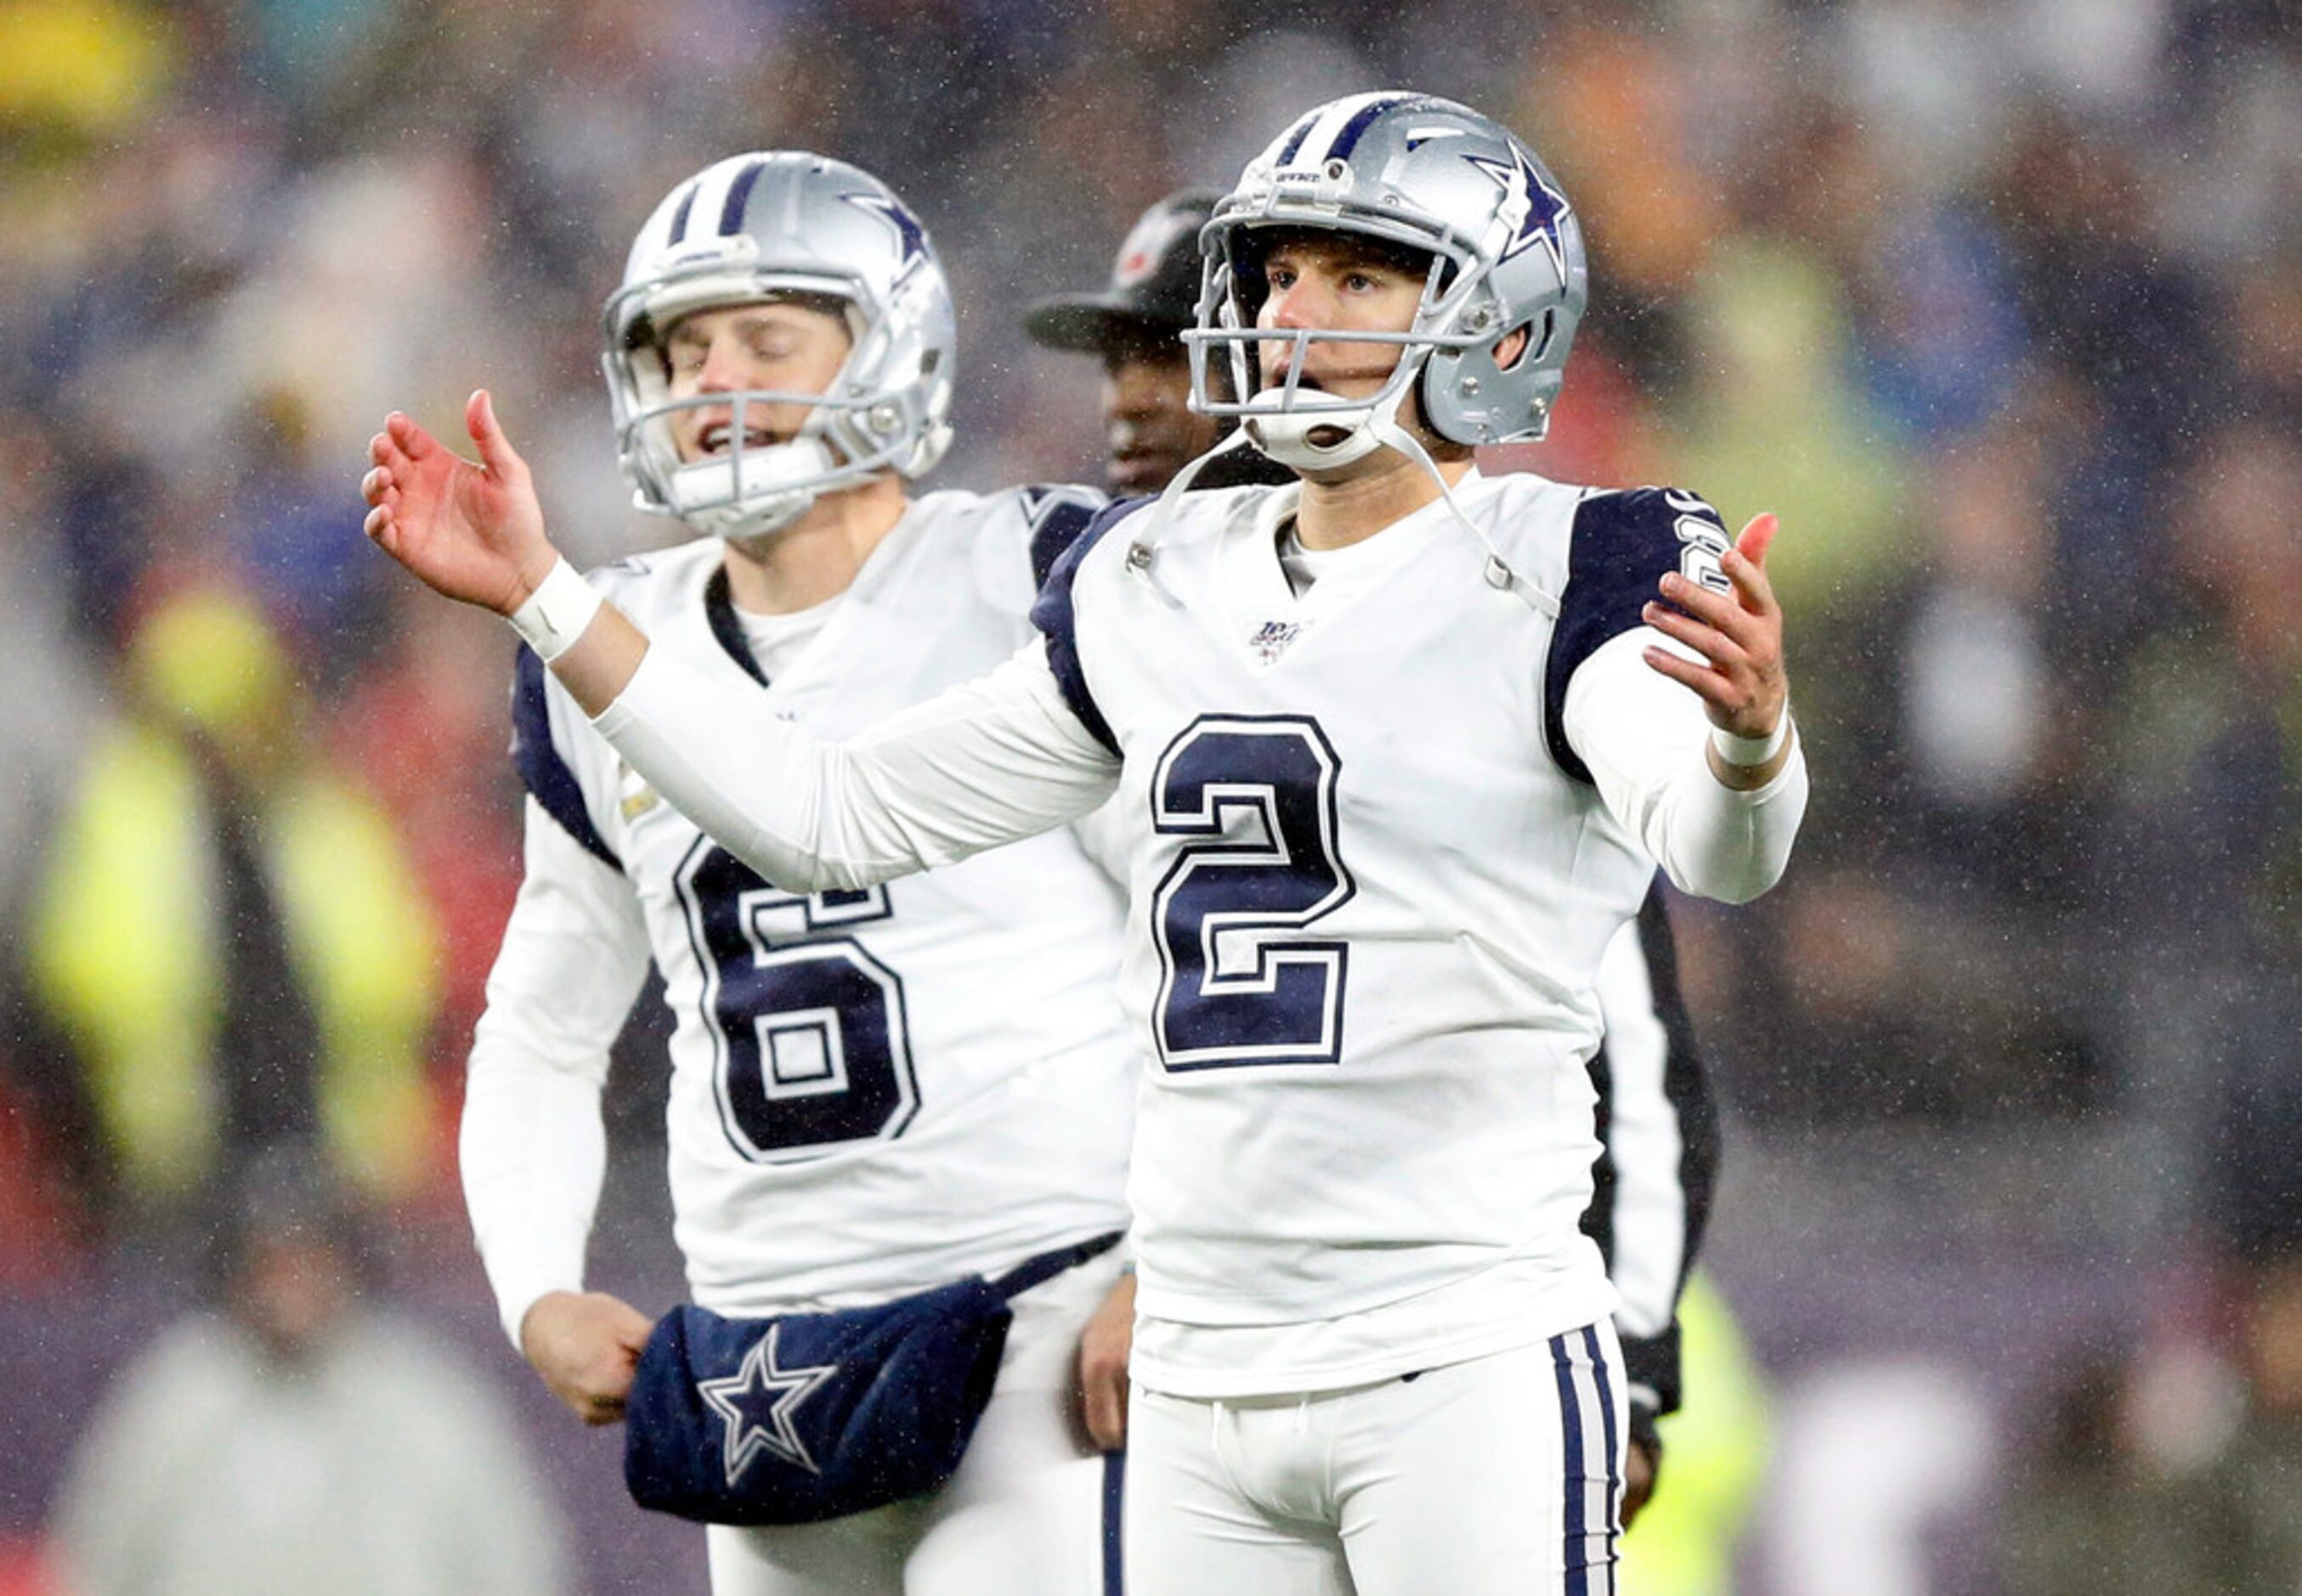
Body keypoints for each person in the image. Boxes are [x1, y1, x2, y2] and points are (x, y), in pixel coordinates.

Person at [365, 91, 1807, 1594]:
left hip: (1455, 1337)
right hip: (1194, 1365)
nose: (1292, 312)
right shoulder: (1147, 572)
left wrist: (1747, 740)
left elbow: (1717, 844)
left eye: (1355, 278)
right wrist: (544, 593)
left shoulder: (1592, 551)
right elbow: (828, 816)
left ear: (1491, 319)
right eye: (1277, 275)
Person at [450, 152, 1135, 1595]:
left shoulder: (1037, 576)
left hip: (1051, 1306)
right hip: (772, 1367)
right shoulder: (598, 648)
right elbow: (543, 1028)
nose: (714, 379)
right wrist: (534, 1285)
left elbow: (1201, 943)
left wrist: (1191, 1251)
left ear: (891, 348)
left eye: (767, 339)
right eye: (682, 347)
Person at [1025, 185, 1725, 1526]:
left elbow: (1633, 1054)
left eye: (1167, 348)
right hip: (1176, 1353)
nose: (1128, 397)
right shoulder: (1128, 618)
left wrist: (1631, 1354)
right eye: (1114, 358)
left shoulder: (1484, 611)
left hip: (1431, 1348)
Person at [48, 1144, 568, 1596]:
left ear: (347, 1266)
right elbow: (97, 1559)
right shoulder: (182, 1392)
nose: (291, 1287)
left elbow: (512, 1562)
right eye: (271, 1263)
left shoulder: (420, 1394)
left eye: (310, 1262)